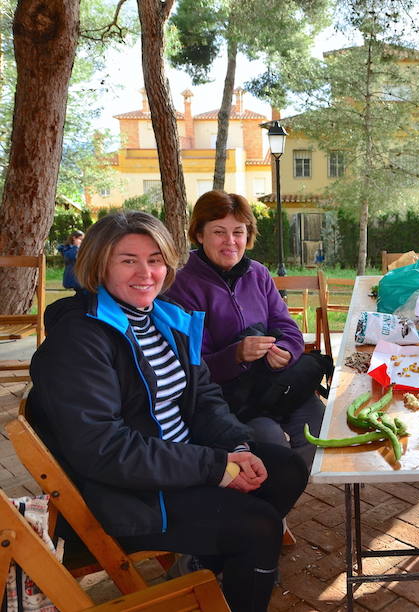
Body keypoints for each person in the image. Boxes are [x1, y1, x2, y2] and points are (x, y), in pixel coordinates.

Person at [27, 211, 308, 612]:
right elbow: (104, 450)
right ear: (98, 263)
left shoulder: (164, 320)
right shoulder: (78, 342)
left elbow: (206, 398)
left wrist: (238, 447)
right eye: (128, 260)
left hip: (176, 463)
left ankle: (208, 563)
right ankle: (224, 565)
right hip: (127, 495)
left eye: (156, 259)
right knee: (258, 527)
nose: (146, 272)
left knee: (286, 467)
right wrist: (214, 467)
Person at [166, 190, 326, 469]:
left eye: (238, 232)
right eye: (219, 232)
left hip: (276, 386)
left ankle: (290, 495)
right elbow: (191, 366)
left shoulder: (258, 274)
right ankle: (270, 508)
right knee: (272, 446)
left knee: (321, 429)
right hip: (230, 403)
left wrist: (286, 352)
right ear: (200, 234)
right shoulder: (181, 286)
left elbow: (287, 328)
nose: (230, 242)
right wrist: (236, 355)